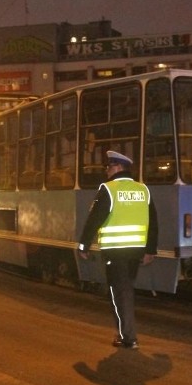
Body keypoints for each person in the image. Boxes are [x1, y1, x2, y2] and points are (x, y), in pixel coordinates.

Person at [77, 150, 158, 349]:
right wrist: (150, 250)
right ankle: (128, 334)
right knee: (126, 291)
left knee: (118, 294)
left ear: (119, 167)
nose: (107, 170)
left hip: (116, 251)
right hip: (136, 252)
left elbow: (95, 218)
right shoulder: (143, 190)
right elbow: (153, 222)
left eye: (109, 166)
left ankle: (128, 337)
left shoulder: (108, 189)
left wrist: (83, 244)